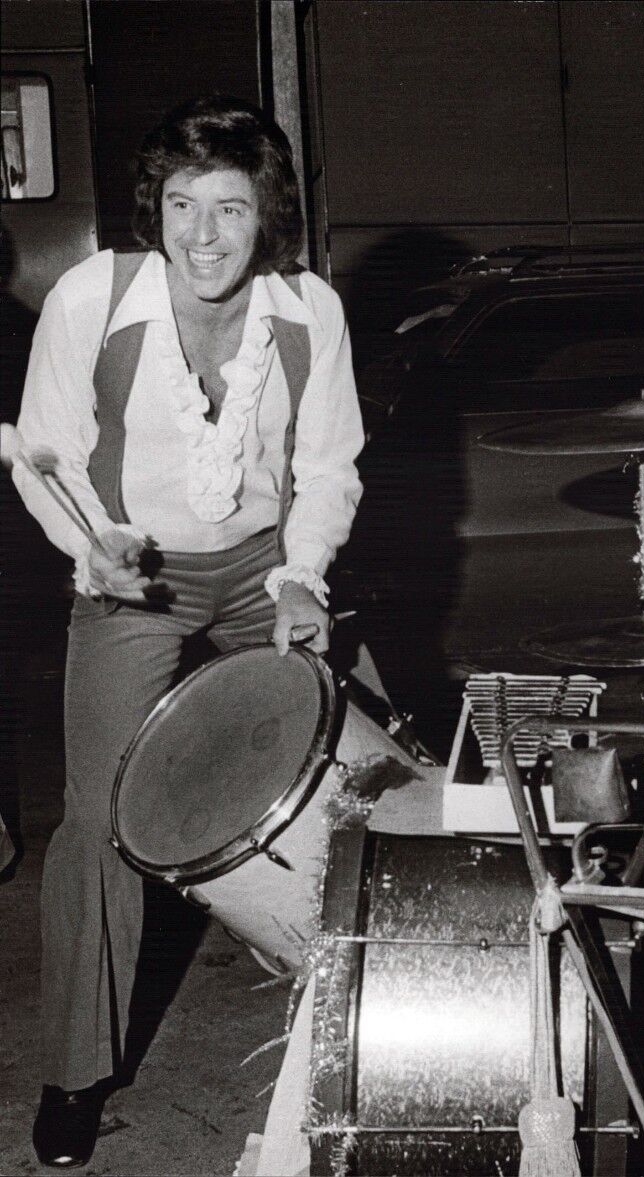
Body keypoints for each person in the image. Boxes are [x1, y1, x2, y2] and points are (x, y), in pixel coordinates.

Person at [11, 94, 363, 1168]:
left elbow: (326, 464)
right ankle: (75, 1074)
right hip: (135, 574)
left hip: (266, 567)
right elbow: (50, 454)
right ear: (152, 209)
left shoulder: (309, 311)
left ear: (269, 219)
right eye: (180, 205)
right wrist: (94, 545)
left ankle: (365, 1017)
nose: (203, 235)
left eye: (230, 209)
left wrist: (304, 577)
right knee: (100, 818)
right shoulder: (92, 297)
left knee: (361, 777)